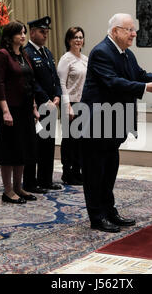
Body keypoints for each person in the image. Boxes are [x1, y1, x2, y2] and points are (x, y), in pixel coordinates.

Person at [80, 13, 152, 233]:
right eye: (129, 30)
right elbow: (113, 82)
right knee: (95, 171)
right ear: (115, 31)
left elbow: (139, 74)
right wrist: (146, 88)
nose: (134, 34)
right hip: (97, 121)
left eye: (133, 30)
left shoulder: (126, 54)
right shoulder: (101, 52)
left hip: (114, 121)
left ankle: (109, 211)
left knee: (109, 169)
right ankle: (97, 217)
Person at [0, 20, 39, 204]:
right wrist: (5, 111)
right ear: (10, 35)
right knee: (9, 150)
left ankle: (19, 187)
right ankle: (8, 190)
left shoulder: (25, 55)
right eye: (19, 33)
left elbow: (30, 83)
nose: (23, 36)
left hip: (25, 108)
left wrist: (34, 107)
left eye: (24, 32)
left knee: (22, 149)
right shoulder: (2, 55)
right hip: (11, 109)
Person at [23, 16, 63, 193]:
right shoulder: (27, 53)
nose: (45, 34)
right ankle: (31, 182)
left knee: (48, 145)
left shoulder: (47, 52)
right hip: (38, 107)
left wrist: (57, 96)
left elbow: (54, 78)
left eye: (46, 31)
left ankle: (46, 179)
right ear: (32, 32)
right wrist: (45, 99)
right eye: (42, 31)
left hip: (51, 105)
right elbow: (32, 81)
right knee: (35, 145)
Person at [58, 26, 88, 186]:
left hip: (83, 103)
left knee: (81, 140)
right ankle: (67, 172)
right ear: (69, 40)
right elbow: (62, 83)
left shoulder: (85, 59)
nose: (78, 40)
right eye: (75, 37)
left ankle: (78, 171)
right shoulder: (66, 58)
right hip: (70, 103)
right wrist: (67, 105)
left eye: (80, 37)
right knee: (70, 140)